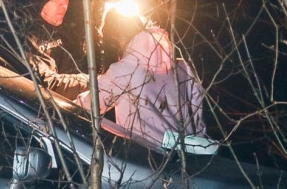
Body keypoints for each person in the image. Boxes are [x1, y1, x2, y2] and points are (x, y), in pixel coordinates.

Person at [75, 8, 206, 145]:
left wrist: (57, 104)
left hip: (148, 159)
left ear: (112, 38)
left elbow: (88, 104)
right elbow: (198, 119)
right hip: (187, 156)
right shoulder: (183, 67)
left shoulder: (123, 71)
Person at [25, 0, 89, 100]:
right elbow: (46, 83)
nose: (64, 5)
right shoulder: (25, 36)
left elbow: (82, 67)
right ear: (43, 1)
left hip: (71, 105)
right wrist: (91, 82)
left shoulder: (69, 34)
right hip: (41, 107)